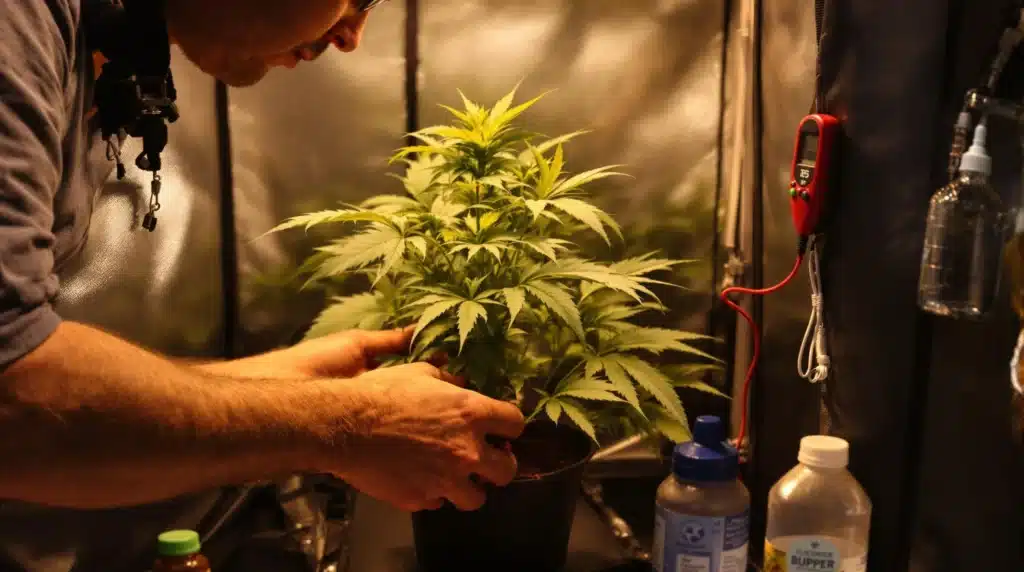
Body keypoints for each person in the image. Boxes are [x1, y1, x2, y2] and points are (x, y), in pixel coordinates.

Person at [0, 0, 524, 570]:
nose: (351, 35)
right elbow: (13, 394)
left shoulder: (105, 50)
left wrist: (283, 384)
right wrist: (343, 424)